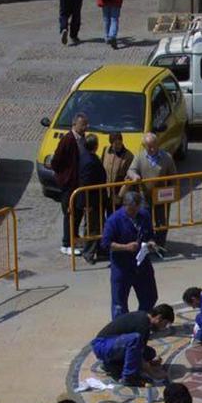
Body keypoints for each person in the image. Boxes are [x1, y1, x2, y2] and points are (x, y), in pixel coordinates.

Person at [101, 191, 159, 319]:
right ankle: (122, 329)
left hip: (142, 264)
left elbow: (150, 235)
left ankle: (140, 321)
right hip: (122, 267)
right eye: (131, 210)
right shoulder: (114, 220)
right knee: (119, 304)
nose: (134, 213)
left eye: (136, 210)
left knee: (150, 296)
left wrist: (151, 243)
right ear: (125, 205)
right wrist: (125, 247)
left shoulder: (144, 215)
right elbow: (106, 243)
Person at [90, 305, 174, 387]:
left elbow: (139, 350)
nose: (164, 327)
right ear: (159, 318)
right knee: (134, 340)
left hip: (111, 345)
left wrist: (148, 362)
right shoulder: (143, 323)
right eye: (165, 323)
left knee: (150, 353)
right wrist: (152, 372)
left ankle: (112, 365)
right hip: (102, 345)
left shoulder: (145, 319)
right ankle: (129, 377)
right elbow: (138, 353)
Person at [123, 134, 177, 250]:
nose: (152, 149)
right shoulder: (139, 157)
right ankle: (146, 245)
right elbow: (131, 170)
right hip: (144, 194)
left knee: (162, 221)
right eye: (149, 147)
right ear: (144, 146)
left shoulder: (166, 157)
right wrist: (134, 175)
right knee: (144, 220)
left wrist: (173, 192)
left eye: (154, 146)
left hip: (161, 194)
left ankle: (160, 245)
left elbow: (173, 175)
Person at [51, 112, 87, 256]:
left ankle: (74, 238)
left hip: (78, 183)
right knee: (69, 213)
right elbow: (56, 161)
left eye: (86, 124)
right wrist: (64, 177)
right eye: (83, 124)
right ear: (74, 124)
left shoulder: (81, 139)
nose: (85, 127)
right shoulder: (67, 140)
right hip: (68, 184)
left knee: (77, 212)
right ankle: (66, 243)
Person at [75, 133, 106, 260]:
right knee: (92, 227)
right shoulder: (89, 161)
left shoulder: (85, 157)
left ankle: (100, 249)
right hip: (92, 201)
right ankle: (89, 252)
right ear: (96, 146)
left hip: (95, 199)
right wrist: (87, 204)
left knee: (97, 225)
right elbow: (86, 184)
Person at [101, 132, 134, 210]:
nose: (117, 146)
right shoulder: (106, 151)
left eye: (119, 143)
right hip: (106, 193)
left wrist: (120, 196)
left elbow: (128, 179)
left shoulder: (129, 156)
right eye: (114, 144)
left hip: (119, 196)